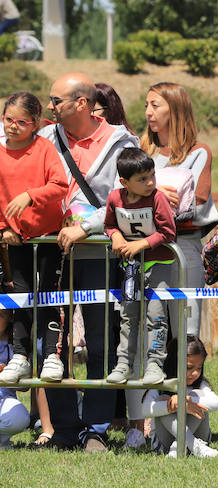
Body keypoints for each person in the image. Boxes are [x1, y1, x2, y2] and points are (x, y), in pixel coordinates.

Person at [39, 72, 139, 452]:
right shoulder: (46, 138)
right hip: (49, 252)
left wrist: (89, 227)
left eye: (56, 101)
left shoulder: (121, 142)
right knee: (50, 340)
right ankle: (65, 428)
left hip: (98, 252)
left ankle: (95, 426)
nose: (50, 107)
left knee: (100, 339)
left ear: (81, 103)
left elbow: (127, 195)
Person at [0, 92, 67, 384]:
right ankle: (20, 355)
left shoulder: (44, 149)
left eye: (21, 122)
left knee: (49, 294)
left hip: (49, 235)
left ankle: (52, 354)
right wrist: (3, 229)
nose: (13, 126)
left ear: (36, 123)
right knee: (20, 295)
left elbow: (60, 185)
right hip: (17, 239)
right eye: (8, 119)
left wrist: (31, 195)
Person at [142, 82, 218, 336]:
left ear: (175, 110)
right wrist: (158, 194)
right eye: (146, 106)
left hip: (183, 248)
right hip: (145, 249)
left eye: (155, 105)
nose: (148, 112)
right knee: (150, 329)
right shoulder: (141, 150)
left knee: (185, 330)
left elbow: (193, 205)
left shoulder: (198, 152)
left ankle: (190, 377)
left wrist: (146, 195)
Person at [103, 148, 176, 385]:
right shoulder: (115, 198)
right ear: (124, 182)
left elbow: (168, 232)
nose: (150, 182)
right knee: (127, 316)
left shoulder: (158, 198)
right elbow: (109, 225)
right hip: (131, 268)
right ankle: (124, 364)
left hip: (160, 265)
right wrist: (115, 237)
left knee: (156, 317)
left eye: (152, 175)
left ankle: (155, 364)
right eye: (142, 179)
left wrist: (141, 245)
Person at [141, 334, 218, 457]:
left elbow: (215, 403)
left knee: (198, 400)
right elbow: (145, 409)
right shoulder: (162, 382)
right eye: (189, 367)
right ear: (174, 362)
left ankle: (179, 446)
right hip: (164, 443)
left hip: (200, 437)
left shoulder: (200, 384)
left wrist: (186, 401)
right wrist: (173, 405)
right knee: (164, 400)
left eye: (199, 368)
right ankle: (191, 444)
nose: (195, 373)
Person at [0, 310, 29, 448]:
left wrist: (7, 374)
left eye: (0, 316)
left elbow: (25, 387)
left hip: (3, 399)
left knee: (20, 417)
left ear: (10, 318)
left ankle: (2, 441)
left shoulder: (16, 346)